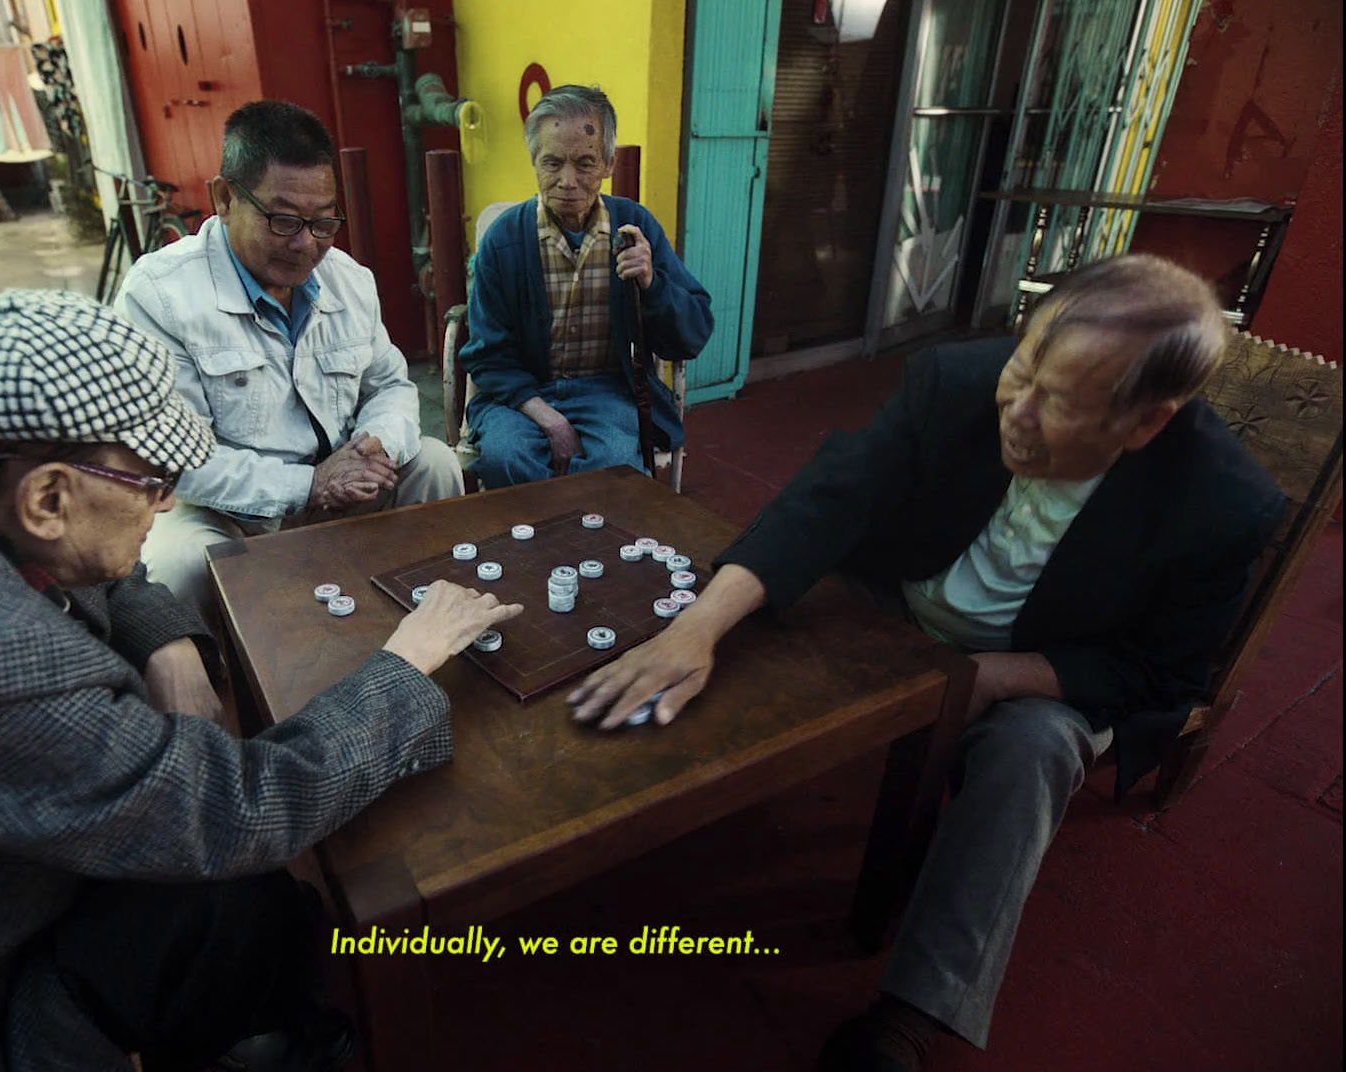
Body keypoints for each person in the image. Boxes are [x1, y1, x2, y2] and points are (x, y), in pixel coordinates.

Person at [0, 290, 522, 1072]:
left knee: (250, 901)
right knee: (238, 889)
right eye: (154, 480)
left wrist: (170, 646)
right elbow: (238, 808)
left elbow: (97, 575)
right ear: (49, 495)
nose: (165, 502)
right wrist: (406, 661)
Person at [567, 255, 1285, 1071]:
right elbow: (829, 498)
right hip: (897, 598)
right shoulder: (957, 380)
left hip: (1037, 663)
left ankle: (912, 1013)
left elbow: (1163, 675)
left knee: (1034, 752)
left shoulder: (1221, 507)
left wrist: (995, 678)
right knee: (741, 606)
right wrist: (696, 627)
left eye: (1059, 404)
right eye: (1023, 370)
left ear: (1147, 423)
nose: (1017, 410)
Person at [116, 100, 464, 621]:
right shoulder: (160, 295)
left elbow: (390, 386)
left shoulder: (349, 279)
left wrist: (377, 444)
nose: (306, 244)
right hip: (231, 514)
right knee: (176, 561)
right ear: (225, 198)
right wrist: (309, 484)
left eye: (324, 223)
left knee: (435, 462)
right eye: (283, 220)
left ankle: (413, 620)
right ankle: (221, 689)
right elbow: (177, 461)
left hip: (344, 487)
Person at [458, 84, 713, 489]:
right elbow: (488, 356)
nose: (567, 181)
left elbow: (693, 334)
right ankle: (534, 550)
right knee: (507, 459)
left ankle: (590, 550)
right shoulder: (504, 240)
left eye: (585, 163)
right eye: (552, 162)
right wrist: (550, 419)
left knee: (613, 468)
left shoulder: (635, 227)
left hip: (607, 389)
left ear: (609, 163)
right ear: (534, 161)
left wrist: (651, 283)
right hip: (523, 395)